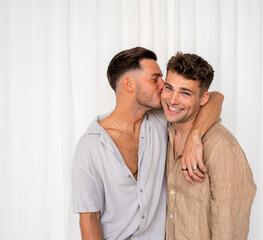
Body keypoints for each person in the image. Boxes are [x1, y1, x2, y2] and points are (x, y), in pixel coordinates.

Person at [72, 47, 224, 240]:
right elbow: (89, 218)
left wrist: (195, 136)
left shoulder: (162, 120)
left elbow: (216, 97)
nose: (163, 85)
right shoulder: (90, 146)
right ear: (129, 84)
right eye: (155, 79)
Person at [162, 52, 256, 240]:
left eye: (185, 93)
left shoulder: (223, 148)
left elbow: (229, 230)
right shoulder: (164, 132)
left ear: (204, 99)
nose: (172, 100)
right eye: (169, 88)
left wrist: (195, 134)